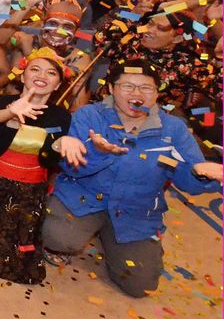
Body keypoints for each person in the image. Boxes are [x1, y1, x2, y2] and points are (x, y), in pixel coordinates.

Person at [46, 61, 223, 297]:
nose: (136, 94)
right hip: (83, 198)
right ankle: (87, 230)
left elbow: (186, 182)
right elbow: (71, 169)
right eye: (127, 86)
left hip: (136, 212)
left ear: (157, 92)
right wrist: (99, 152)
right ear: (110, 88)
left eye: (146, 88)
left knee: (141, 285)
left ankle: (109, 237)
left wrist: (199, 173)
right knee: (56, 238)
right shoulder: (89, 115)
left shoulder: (174, 130)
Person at [0, 48, 71, 284]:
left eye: (51, 73)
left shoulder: (61, 116)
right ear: (22, 76)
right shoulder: (0, 103)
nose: (42, 76)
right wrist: (12, 117)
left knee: (18, 260)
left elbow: (48, 162)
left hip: (28, 192)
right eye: (35, 69)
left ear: (58, 84)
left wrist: (58, 147)